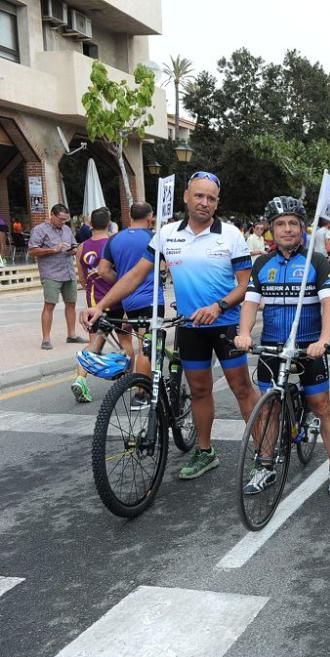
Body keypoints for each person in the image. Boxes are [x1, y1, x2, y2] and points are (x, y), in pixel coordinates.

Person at [81, 171, 259, 481]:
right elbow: (136, 275)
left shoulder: (231, 234)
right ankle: (205, 452)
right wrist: (100, 305)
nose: (204, 202)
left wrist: (219, 307)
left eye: (211, 198)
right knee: (201, 390)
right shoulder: (166, 234)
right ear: (187, 197)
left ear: (217, 204)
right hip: (189, 326)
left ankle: (264, 452)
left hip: (226, 323)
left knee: (242, 388)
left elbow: (245, 286)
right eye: (199, 196)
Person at [235, 196, 330, 497]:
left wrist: (323, 341)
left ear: (302, 228)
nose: (287, 229)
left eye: (293, 224)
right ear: (271, 229)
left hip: (308, 345)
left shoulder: (317, 261)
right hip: (272, 344)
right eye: (280, 224)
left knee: (321, 405)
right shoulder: (262, 263)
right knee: (269, 405)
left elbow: (329, 304)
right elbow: (249, 303)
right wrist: (244, 333)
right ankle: (267, 466)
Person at [98, 201, 164, 381]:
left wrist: (122, 284)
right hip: (151, 298)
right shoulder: (155, 237)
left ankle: (136, 383)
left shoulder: (114, 238)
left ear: (130, 216)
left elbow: (103, 270)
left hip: (128, 300)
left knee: (137, 342)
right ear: (150, 217)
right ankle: (141, 391)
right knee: (147, 347)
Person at [70, 207, 116, 403]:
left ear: (90, 224)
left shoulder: (82, 247)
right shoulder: (114, 242)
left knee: (94, 342)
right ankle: (136, 384)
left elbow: (81, 277)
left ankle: (80, 379)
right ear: (109, 223)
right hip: (117, 297)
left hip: (94, 300)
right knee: (126, 341)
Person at [28, 204, 88, 350]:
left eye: (65, 220)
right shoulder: (40, 230)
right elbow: (32, 250)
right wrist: (52, 249)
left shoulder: (67, 229)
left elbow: (74, 246)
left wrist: (74, 249)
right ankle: (46, 339)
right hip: (51, 273)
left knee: (71, 303)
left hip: (68, 271)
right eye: (60, 219)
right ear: (52, 215)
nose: (63, 222)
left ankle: (72, 335)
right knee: (50, 305)